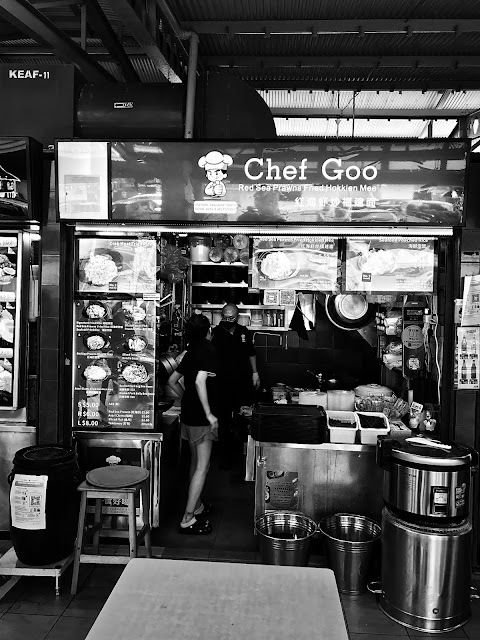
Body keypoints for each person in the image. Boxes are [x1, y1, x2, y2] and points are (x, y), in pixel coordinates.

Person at [167, 314, 219, 535]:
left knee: (195, 462)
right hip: (200, 417)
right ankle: (188, 518)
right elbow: (199, 381)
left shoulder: (190, 351)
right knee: (202, 467)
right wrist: (209, 414)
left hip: (188, 413)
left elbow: (171, 381)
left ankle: (196, 505)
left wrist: (185, 397)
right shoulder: (207, 349)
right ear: (208, 330)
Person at [211, 303, 261, 468]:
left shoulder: (243, 332)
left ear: (237, 317)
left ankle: (242, 456)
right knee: (223, 420)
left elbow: (251, 353)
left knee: (242, 417)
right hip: (221, 384)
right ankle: (224, 457)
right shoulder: (215, 333)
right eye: (224, 317)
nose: (227, 320)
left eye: (230, 318)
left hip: (242, 382)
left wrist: (255, 373)